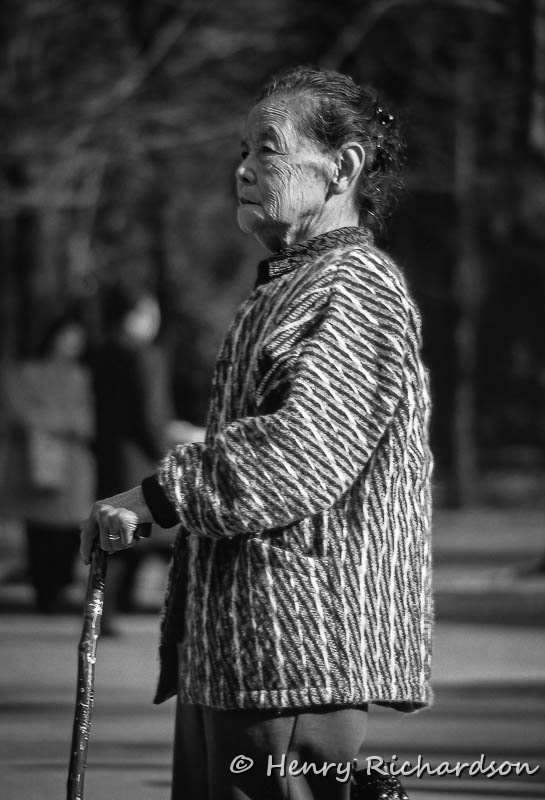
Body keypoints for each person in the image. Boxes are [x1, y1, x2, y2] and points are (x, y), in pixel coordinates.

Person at [81, 66, 433, 800]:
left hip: (297, 649)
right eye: (242, 149)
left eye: (267, 148)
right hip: (245, 646)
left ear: (342, 168)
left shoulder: (353, 285)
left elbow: (299, 452)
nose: (242, 169)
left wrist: (153, 498)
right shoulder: (296, 282)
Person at [90, 285, 173, 624]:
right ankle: (117, 606)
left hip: (107, 453)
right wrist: (164, 454)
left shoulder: (101, 352)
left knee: (111, 531)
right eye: (151, 314)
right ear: (135, 315)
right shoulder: (145, 356)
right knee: (134, 525)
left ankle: (102, 608)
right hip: (138, 456)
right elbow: (149, 414)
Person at [0, 316, 94, 612]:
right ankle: (45, 589)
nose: (72, 345)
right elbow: (20, 414)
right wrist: (63, 423)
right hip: (36, 460)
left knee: (69, 527)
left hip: (73, 465)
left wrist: (59, 422)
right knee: (40, 528)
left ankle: (61, 586)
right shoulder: (27, 373)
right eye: (67, 337)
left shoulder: (81, 376)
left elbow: (87, 419)